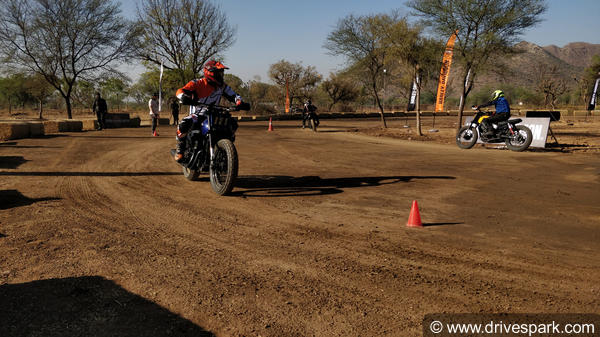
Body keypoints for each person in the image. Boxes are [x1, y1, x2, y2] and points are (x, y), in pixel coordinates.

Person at [173, 60, 246, 162]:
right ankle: (180, 148)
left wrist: (239, 102)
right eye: (218, 73)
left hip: (215, 114)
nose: (221, 75)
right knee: (183, 124)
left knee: (232, 124)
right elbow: (180, 91)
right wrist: (183, 97)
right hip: (198, 114)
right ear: (209, 72)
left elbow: (234, 95)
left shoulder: (222, 86)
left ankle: (226, 151)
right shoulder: (198, 83)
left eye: (221, 73)